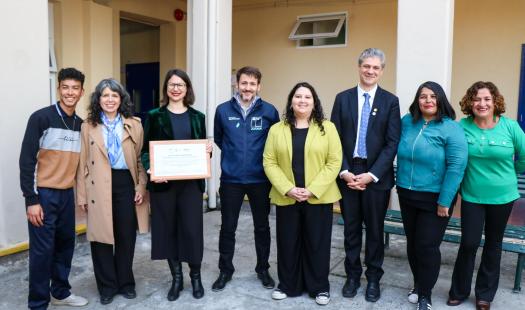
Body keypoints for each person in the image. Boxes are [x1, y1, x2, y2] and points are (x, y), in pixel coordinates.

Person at [330, 48, 401, 302]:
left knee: (374, 231)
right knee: (350, 229)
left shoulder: (390, 101)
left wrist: (372, 175)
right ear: (359, 67)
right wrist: (345, 171)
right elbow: (334, 138)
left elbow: (392, 143)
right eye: (366, 66)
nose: (370, 71)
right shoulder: (342, 98)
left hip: (376, 177)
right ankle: (352, 276)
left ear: (382, 71)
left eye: (375, 67)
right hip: (349, 172)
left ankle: (373, 279)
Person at [447, 81, 525, 310]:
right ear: (470, 103)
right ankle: (459, 291)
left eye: (487, 99)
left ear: (495, 102)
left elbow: (524, 157)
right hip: (472, 196)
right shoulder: (462, 127)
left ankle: (484, 295)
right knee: (469, 243)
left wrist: (510, 173)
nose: (482, 103)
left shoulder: (510, 127)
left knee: (493, 243)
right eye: (477, 99)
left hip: (503, 197)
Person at [263, 82, 342, 306]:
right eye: (298, 96)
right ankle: (288, 285)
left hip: (318, 196)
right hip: (287, 195)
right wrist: (288, 188)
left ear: (314, 102)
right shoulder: (276, 129)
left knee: (317, 243)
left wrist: (312, 189)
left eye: (307, 97)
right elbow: (269, 161)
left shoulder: (328, 128)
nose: (302, 101)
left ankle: (320, 288)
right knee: (288, 242)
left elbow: (334, 162)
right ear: (291, 101)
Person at [19, 68, 89, 309]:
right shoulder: (41, 118)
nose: (70, 92)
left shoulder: (81, 125)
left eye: (75, 88)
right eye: (65, 87)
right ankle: (38, 303)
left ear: (82, 92)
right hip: (44, 195)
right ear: (59, 88)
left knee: (65, 246)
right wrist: (31, 200)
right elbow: (26, 161)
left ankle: (60, 292)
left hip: (66, 195)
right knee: (42, 252)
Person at [141, 69, 212, 301]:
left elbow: (202, 155)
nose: (176, 88)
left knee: (192, 231)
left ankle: (196, 277)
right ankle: (177, 279)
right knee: (168, 230)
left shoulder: (198, 117)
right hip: (164, 185)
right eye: (172, 84)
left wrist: (207, 152)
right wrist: (152, 169)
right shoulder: (153, 115)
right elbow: (144, 151)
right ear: (166, 88)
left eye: (180, 84)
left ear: (187, 89)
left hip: (191, 186)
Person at [396, 81, 468, 310]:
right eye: (423, 96)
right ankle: (418, 284)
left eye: (433, 96)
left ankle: (425, 295)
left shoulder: (451, 128)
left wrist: (445, 201)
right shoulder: (408, 122)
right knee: (413, 244)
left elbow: (457, 166)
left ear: (440, 100)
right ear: (417, 100)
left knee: (427, 246)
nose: (428, 100)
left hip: (435, 198)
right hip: (407, 194)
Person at [76, 78, 148, 305]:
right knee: (101, 239)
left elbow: (138, 160)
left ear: (121, 99)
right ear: (98, 99)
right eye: (105, 95)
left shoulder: (134, 124)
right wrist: (82, 195)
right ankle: (107, 286)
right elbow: (82, 162)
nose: (109, 100)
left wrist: (141, 186)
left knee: (126, 236)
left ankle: (126, 283)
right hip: (97, 185)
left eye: (114, 95)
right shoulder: (88, 126)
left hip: (126, 183)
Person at [212, 66, 280, 291]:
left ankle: (263, 269)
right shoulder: (222, 110)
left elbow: (275, 144)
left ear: (259, 86)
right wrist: (234, 160)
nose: (247, 88)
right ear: (237, 84)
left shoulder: (270, 111)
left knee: (262, 227)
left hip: (260, 180)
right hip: (231, 180)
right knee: (227, 227)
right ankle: (225, 270)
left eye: (252, 84)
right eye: (244, 83)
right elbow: (220, 140)